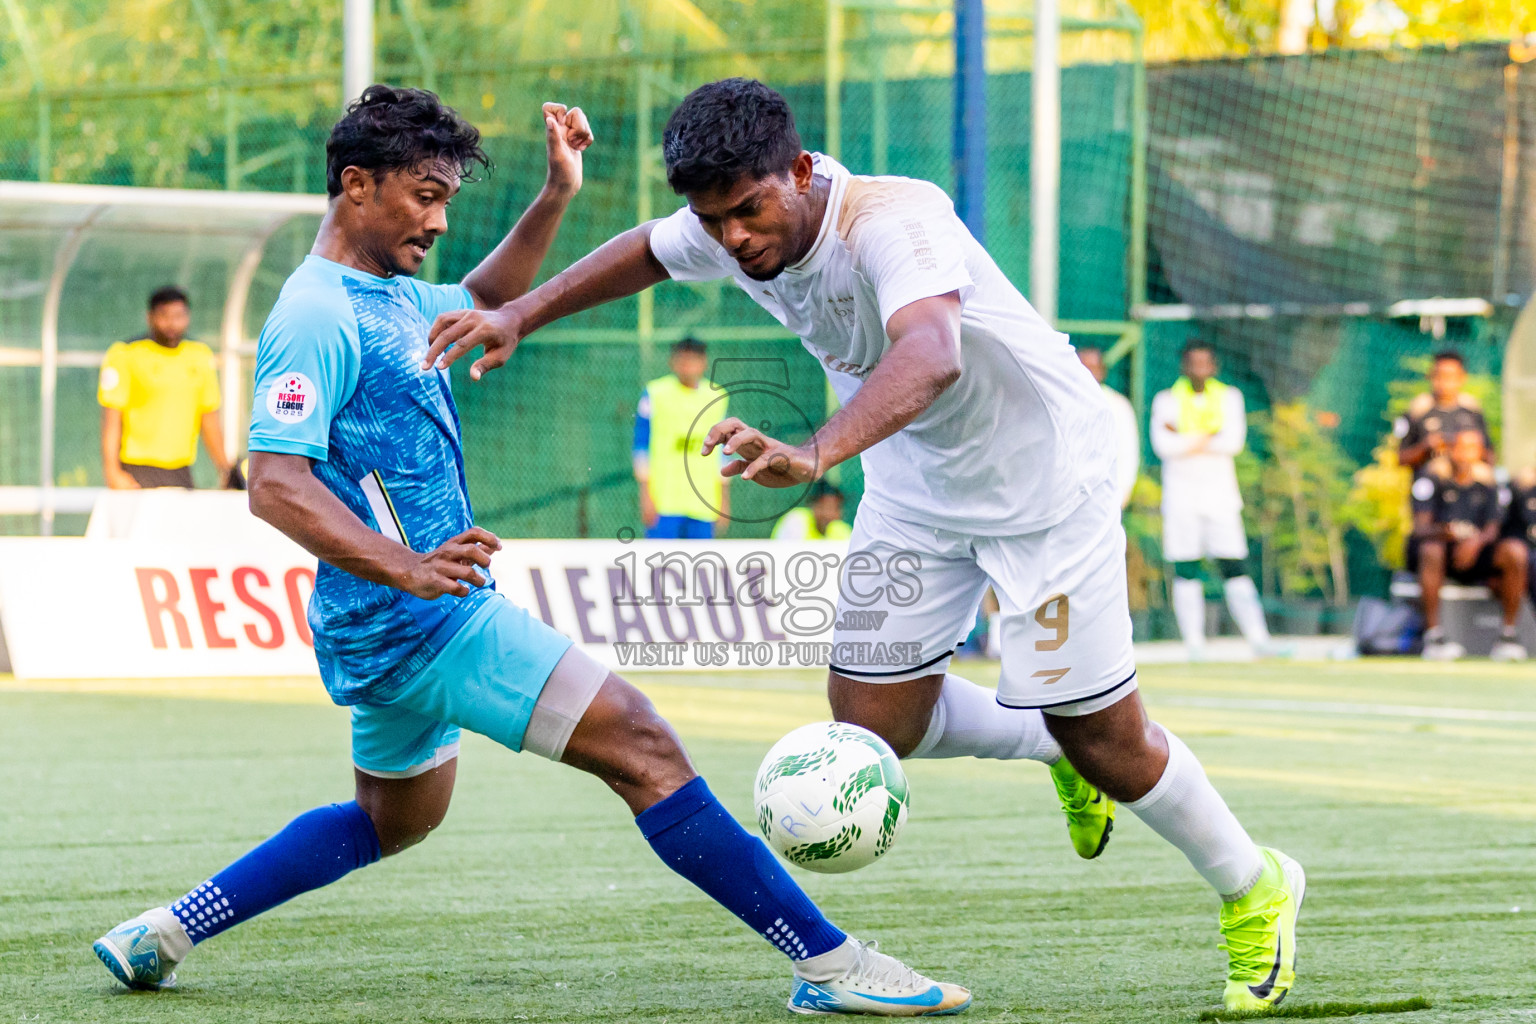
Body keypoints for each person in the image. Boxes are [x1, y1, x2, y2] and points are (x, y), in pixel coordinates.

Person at [422, 78, 1304, 1014]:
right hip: (918, 493)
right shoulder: (733, 221)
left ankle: (1255, 883)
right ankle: (1049, 744)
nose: (732, 240)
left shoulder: (894, 218)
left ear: (799, 173)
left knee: (1113, 748)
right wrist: (521, 313)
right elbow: (643, 250)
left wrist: (813, 453)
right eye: (713, 220)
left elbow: (932, 352)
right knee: (874, 718)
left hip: (1045, 486)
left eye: (748, 212)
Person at [91, 86, 969, 1018]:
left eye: (446, 201)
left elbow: (488, 298)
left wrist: (557, 192)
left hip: (379, 629)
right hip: (426, 615)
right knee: (645, 748)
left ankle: (166, 931)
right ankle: (831, 964)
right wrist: (411, 568)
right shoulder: (314, 315)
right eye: (424, 197)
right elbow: (274, 483)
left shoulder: (386, 293)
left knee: (393, 819)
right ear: (357, 185)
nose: (438, 220)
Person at [1150, 341, 1277, 660]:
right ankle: (1193, 642)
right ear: (1184, 366)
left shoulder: (1229, 396)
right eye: (1193, 363)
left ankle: (1258, 638)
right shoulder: (1166, 400)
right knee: (1186, 567)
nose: (1199, 369)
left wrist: (1185, 434)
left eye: (1205, 363)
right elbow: (1164, 446)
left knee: (1234, 565)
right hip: (1181, 498)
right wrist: (1210, 434)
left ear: (1214, 366)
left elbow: (1232, 441)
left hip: (1220, 498)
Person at [98, 286, 238, 490]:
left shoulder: (199, 355)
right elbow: (111, 419)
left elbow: (208, 419)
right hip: (137, 470)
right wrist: (112, 471)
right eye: (164, 316)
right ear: (150, 317)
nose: (171, 323)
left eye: (178, 316)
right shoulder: (125, 354)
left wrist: (225, 469)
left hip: (181, 470)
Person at [1409, 430, 1528, 662]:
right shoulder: (1432, 478)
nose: (1465, 454)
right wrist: (1449, 533)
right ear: (1451, 449)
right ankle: (1434, 638)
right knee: (1431, 550)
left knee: (1516, 551)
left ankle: (1508, 637)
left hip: (1478, 556)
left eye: (1472, 448)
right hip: (1442, 557)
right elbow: (1420, 528)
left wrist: (1475, 542)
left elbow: (1494, 527)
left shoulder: (1489, 482)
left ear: (1481, 453)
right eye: (1460, 447)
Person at [633, 337, 730, 538]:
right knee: (659, 566)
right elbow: (641, 445)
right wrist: (645, 496)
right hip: (663, 503)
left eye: (692, 359)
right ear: (672, 361)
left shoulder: (717, 397)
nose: (687, 365)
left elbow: (724, 451)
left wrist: (723, 500)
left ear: (703, 362)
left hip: (704, 502)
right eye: (682, 359)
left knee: (700, 567)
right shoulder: (655, 393)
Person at [1396, 350, 1491, 479]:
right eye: (1438, 375)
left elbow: (1491, 457)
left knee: (1484, 475)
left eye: (1450, 376)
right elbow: (1400, 459)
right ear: (1430, 376)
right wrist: (1425, 447)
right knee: (1439, 468)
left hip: (1468, 481)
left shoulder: (1472, 410)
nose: (1443, 382)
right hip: (1431, 483)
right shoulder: (1417, 411)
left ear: (1462, 377)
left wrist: (1469, 448)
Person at [1076, 346, 1138, 507]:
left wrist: (1122, 494)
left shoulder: (1118, 405)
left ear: (1103, 370)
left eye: (1093, 368)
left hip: (1107, 498)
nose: (1088, 373)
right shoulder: (1060, 402)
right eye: (1083, 367)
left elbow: (1128, 452)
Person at [772, 480, 853, 540]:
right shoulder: (796, 521)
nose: (828, 514)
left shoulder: (843, 530)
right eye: (824, 507)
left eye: (835, 508)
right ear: (813, 505)